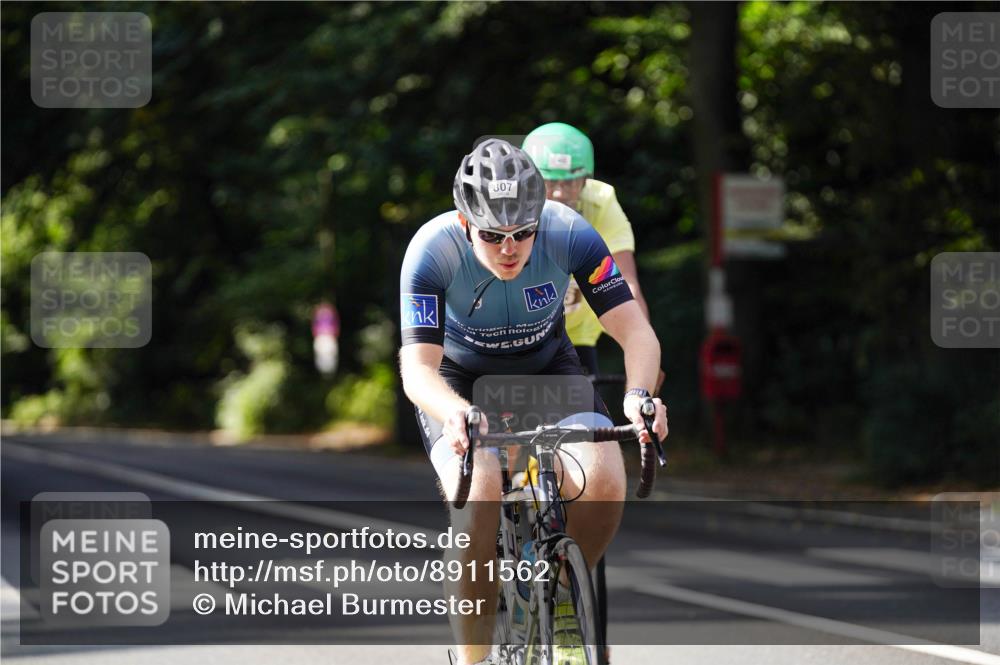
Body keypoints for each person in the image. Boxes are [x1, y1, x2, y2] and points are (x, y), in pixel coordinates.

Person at [398, 138, 668, 665]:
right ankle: (472, 657)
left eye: (523, 231)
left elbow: (636, 332)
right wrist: (453, 411)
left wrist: (639, 397)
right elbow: (418, 369)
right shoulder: (431, 250)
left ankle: (562, 596)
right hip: (460, 382)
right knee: (482, 489)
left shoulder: (570, 234)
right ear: (464, 222)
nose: (510, 248)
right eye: (494, 235)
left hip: (548, 370)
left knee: (605, 478)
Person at [522, 123, 663, 393]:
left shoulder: (602, 203)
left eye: (570, 182)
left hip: (575, 334)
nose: (560, 193)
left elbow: (627, 285)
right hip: (513, 332)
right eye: (549, 182)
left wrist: (643, 361)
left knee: (590, 428)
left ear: (586, 180)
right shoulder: (509, 206)